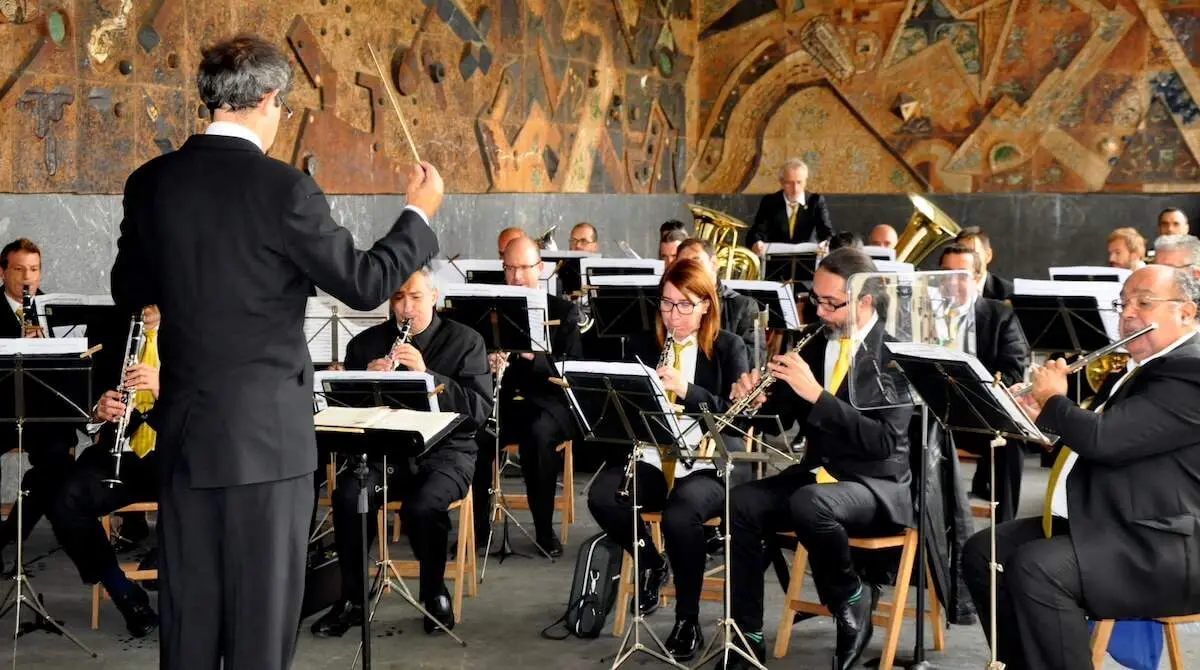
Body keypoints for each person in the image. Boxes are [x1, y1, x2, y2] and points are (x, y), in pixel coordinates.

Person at [109, 34, 443, 670]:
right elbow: (367, 282)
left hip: (184, 432)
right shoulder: (283, 188)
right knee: (261, 622)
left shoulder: (150, 183)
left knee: (190, 618)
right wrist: (417, 214)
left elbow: (131, 289)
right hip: (266, 441)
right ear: (268, 99)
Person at [962, 264, 1200, 669]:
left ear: (1187, 313)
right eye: (1122, 303)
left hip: (1163, 544)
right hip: (1112, 520)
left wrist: (1056, 401)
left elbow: (1103, 440)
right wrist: (1039, 414)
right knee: (983, 551)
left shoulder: (1190, 369)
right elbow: (1101, 439)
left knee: (1038, 570)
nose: (1128, 313)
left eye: (1144, 303)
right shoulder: (1142, 368)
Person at [724, 248, 913, 670]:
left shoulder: (896, 357)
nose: (821, 312)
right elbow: (780, 425)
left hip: (875, 487)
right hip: (821, 475)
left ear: (865, 300)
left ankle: (851, 600)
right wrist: (755, 401)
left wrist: (818, 396)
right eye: (816, 300)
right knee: (741, 503)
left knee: (809, 502)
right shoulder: (813, 341)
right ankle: (745, 638)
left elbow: (884, 444)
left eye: (832, 303)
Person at [310, 267, 490, 638]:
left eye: (415, 297)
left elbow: (478, 411)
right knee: (347, 496)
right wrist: (363, 381)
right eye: (397, 298)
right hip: (382, 453)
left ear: (435, 297)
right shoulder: (366, 344)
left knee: (422, 507)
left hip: (446, 453)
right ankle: (353, 597)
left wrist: (428, 376)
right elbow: (343, 415)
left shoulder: (466, 341)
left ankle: (434, 590)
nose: (405, 307)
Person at [587, 259, 748, 660]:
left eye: (684, 305)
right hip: (654, 456)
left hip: (707, 462)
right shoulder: (644, 344)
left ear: (707, 306)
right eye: (666, 304)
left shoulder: (729, 347)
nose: (672, 314)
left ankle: (687, 617)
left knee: (681, 514)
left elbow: (738, 416)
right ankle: (653, 562)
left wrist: (688, 389)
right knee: (604, 496)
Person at [44, 305, 163, 638]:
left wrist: (161, 387)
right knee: (64, 501)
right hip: (120, 453)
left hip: (178, 454)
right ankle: (123, 592)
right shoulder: (112, 328)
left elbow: (213, 399)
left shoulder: (195, 326)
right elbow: (85, 398)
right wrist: (98, 411)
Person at [474, 236, 582, 557]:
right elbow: (470, 356)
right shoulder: (489, 309)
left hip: (551, 405)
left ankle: (544, 531)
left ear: (541, 268)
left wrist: (533, 357)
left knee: (538, 435)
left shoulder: (563, 311)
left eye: (524, 268)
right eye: (510, 268)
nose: (517, 277)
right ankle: (478, 531)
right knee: (477, 434)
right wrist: (488, 362)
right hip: (506, 402)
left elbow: (572, 369)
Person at [0, 238, 79, 557]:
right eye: (19, 269)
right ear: (3, 272)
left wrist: (49, 347)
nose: (27, 277)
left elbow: (69, 375)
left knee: (58, 456)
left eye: (34, 269)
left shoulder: (52, 311)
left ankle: (9, 534)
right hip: (1, 411)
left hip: (41, 414)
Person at [940, 245, 1030, 522]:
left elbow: (1014, 368)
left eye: (962, 275)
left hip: (978, 416)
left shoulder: (1000, 315)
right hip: (932, 413)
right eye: (946, 274)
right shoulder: (922, 313)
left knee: (1012, 437)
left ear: (978, 279)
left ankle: (1004, 527)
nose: (953, 283)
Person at [674, 239, 758, 360]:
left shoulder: (744, 306)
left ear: (713, 264)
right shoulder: (672, 304)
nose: (690, 270)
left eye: (695, 261)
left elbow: (753, 360)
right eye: (683, 264)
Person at [747, 158, 833, 254]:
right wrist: (757, 243)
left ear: (806, 181)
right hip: (776, 260)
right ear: (782, 182)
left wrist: (826, 243)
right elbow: (757, 232)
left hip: (808, 259)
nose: (795, 189)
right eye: (789, 183)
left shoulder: (815, 201)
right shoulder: (770, 202)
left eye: (799, 182)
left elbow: (826, 232)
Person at [955, 227, 1013, 302]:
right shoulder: (947, 287)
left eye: (973, 252)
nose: (966, 258)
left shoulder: (1007, 294)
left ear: (988, 255)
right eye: (960, 252)